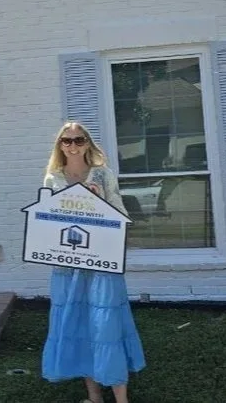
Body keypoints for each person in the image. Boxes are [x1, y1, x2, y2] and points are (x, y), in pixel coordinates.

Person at [41, 121, 146, 403]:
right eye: (66, 141)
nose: (72, 146)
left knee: (107, 324)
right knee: (79, 325)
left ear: (87, 143)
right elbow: (47, 221)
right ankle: (94, 396)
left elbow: (121, 213)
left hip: (101, 261)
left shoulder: (102, 174)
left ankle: (121, 399)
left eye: (78, 140)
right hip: (68, 265)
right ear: (60, 146)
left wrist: (100, 202)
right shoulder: (53, 178)